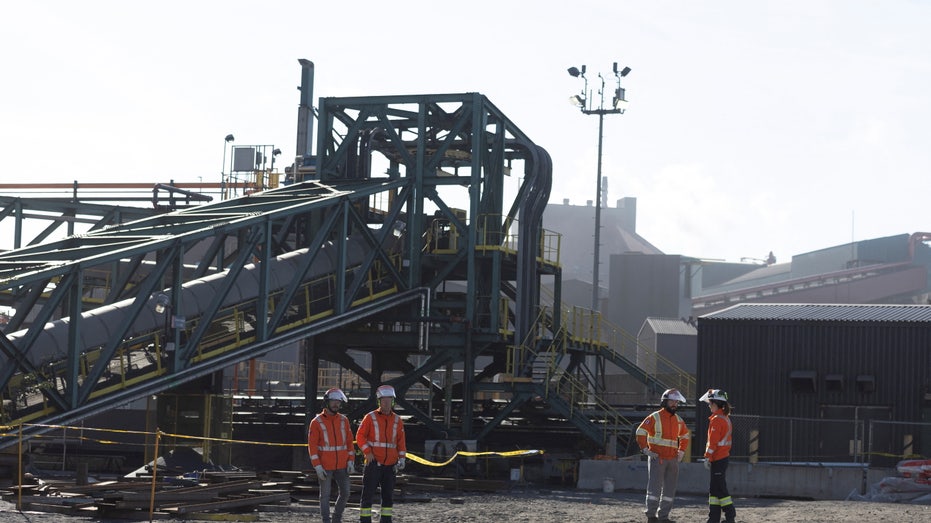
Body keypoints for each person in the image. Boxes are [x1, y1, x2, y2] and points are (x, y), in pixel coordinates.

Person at [636, 388, 691, 523]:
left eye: (677, 402)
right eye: (672, 401)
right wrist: (645, 450)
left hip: (672, 459)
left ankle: (664, 517)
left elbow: (685, 436)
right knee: (654, 488)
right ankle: (651, 516)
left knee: (669, 489)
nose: (675, 404)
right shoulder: (654, 417)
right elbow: (640, 432)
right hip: (657, 458)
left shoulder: (678, 420)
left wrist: (681, 451)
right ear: (665, 401)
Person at [356, 384, 407, 523]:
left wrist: (402, 458)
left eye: (389, 400)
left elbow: (401, 442)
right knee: (367, 496)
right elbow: (360, 436)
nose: (386, 403)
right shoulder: (370, 417)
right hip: (373, 464)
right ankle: (365, 521)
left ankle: (386, 520)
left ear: (393, 401)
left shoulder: (397, 420)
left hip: (390, 465)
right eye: (383, 400)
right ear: (379, 401)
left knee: (388, 497)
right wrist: (367, 451)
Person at [307, 387, 355, 523]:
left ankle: (336, 519)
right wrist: (317, 467)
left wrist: (351, 460)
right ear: (327, 402)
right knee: (325, 496)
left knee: (345, 493)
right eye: (334, 401)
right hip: (325, 466)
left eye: (338, 402)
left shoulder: (343, 420)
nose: (336, 404)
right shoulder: (316, 422)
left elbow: (349, 442)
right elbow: (313, 447)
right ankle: (326, 521)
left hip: (342, 465)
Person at [700, 388, 736, 523]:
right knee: (714, 490)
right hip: (722, 458)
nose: (709, 406)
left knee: (720, 489)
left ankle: (730, 515)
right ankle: (713, 518)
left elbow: (713, 443)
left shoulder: (716, 420)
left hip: (718, 458)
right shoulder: (724, 418)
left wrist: (707, 457)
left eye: (710, 403)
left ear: (716, 404)